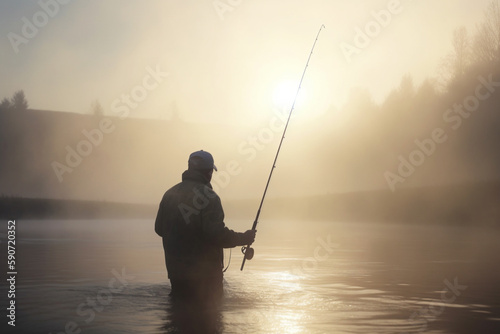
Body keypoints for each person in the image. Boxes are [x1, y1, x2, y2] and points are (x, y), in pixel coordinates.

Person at [155, 150, 256, 302]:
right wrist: (244, 238)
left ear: (190, 168)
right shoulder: (209, 197)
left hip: (176, 274)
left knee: (178, 318)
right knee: (209, 319)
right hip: (206, 278)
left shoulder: (169, 194)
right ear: (209, 172)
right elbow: (217, 235)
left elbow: (159, 229)